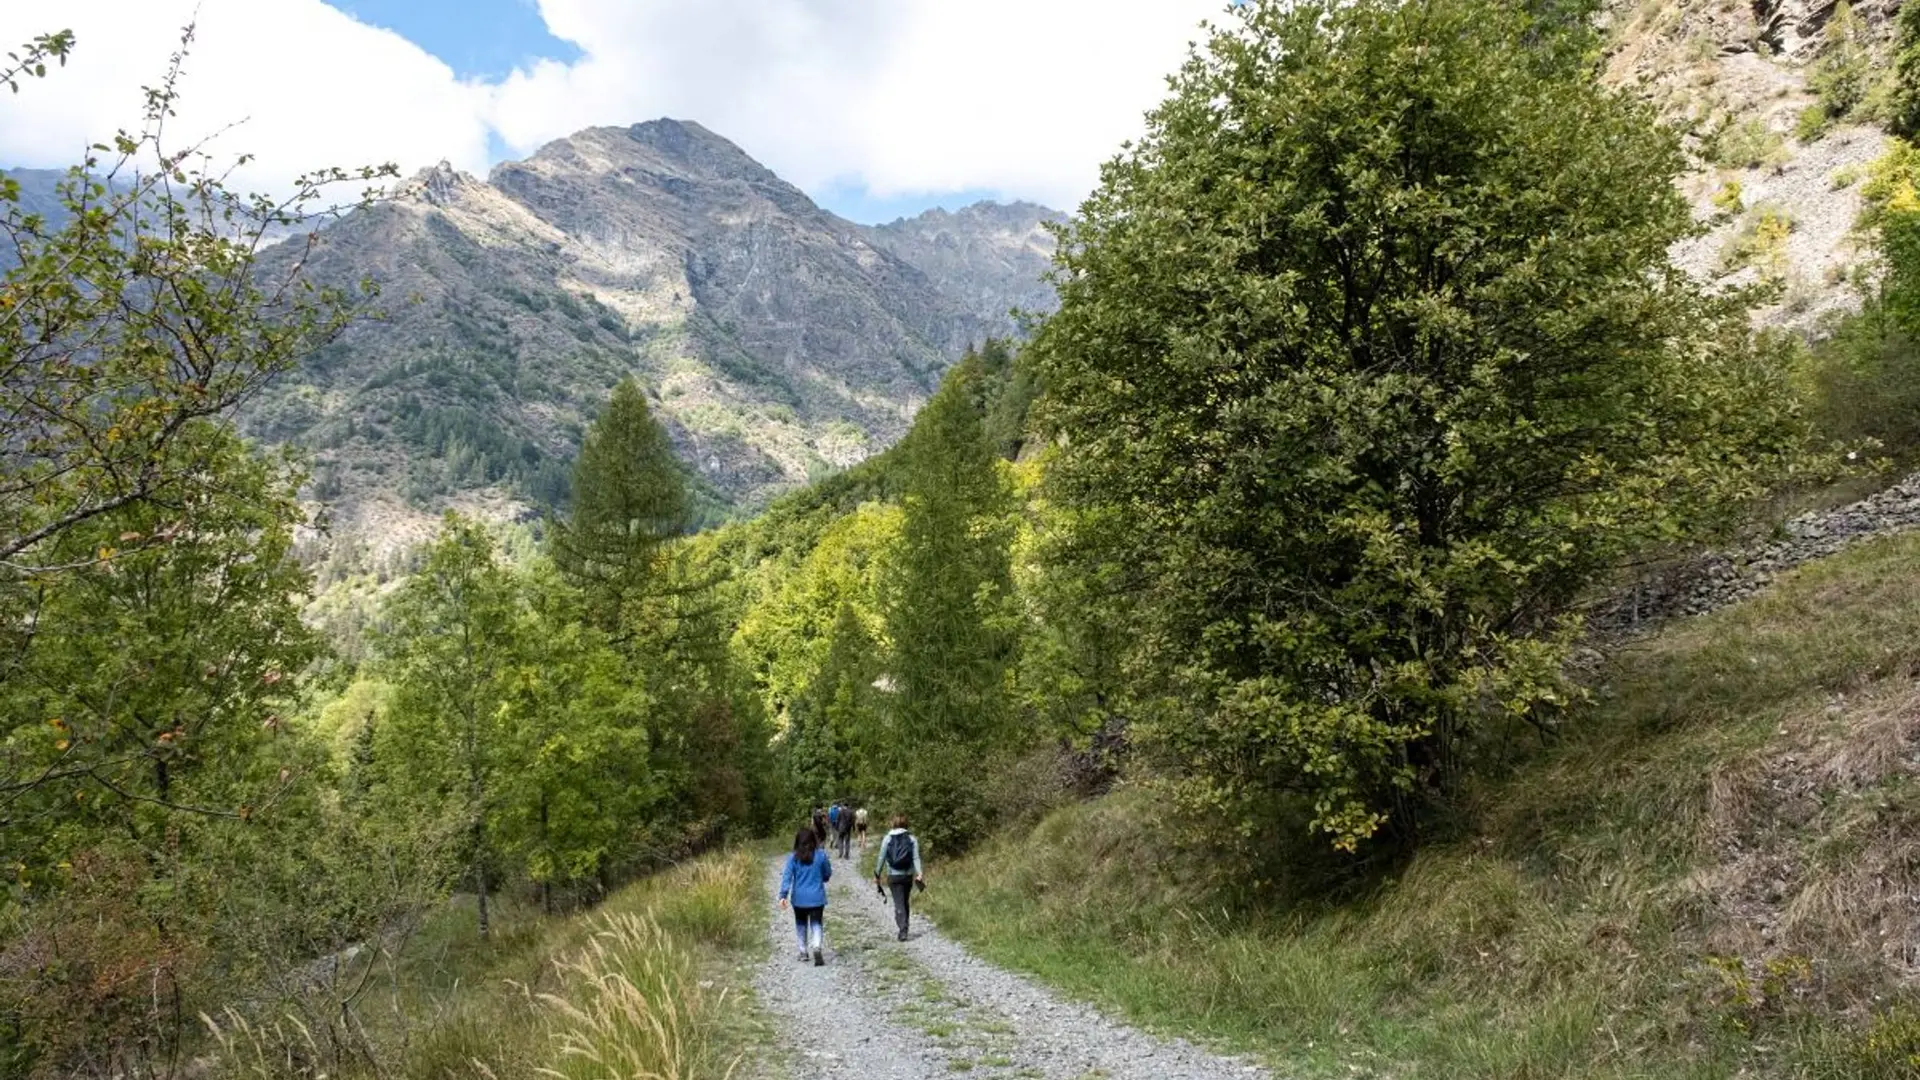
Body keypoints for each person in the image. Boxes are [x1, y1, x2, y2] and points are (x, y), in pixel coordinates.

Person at [778, 826, 832, 966]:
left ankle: (803, 952)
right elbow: (827, 873)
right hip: (816, 897)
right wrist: (824, 878)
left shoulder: (793, 858)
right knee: (816, 923)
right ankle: (817, 946)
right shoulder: (820, 855)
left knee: (800, 924)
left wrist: (783, 895)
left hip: (799, 899)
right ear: (813, 840)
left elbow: (787, 877)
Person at [872, 813, 923, 941]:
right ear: (906, 823)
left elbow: (881, 857)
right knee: (905, 901)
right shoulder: (912, 838)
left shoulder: (887, 838)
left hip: (893, 876)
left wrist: (877, 873)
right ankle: (905, 926)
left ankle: (903, 930)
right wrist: (919, 873)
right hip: (907, 875)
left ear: (893, 823)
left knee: (898, 902)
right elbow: (915, 857)